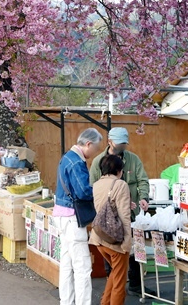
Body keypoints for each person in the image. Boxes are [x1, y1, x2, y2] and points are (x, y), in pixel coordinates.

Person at [89, 127, 150, 296]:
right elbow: (93, 186)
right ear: (110, 142)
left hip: (132, 214)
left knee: (135, 253)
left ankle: (135, 285)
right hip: (108, 218)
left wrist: (143, 198)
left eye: (125, 143)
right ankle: (115, 286)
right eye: (120, 143)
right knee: (115, 255)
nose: (123, 146)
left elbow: (143, 180)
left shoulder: (133, 159)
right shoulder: (98, 162)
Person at [53, 127, 103, 305]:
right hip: (72, 219)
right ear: (88, 144)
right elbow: (83, 192)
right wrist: (100, 189)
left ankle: (66, 302)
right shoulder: (76, 162)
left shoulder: (66, 157)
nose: (95, 153)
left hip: (61, 215)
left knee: (67, 264)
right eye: (95, 149)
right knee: (82, 268)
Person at [89, 154, 133, 305]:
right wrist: (127, 243)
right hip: (115, 241)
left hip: (99, 237)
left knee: (115, 273)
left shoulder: (96, 185)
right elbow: (124, 216)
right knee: (119, 284)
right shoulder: (120, 185)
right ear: (119, 170)